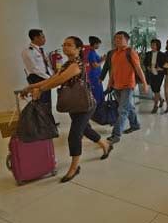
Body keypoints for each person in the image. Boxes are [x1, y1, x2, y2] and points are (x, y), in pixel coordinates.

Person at [22, 36, 113, 183]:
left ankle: (74, 167)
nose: (65, 47)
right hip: (74, 104)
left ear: (78, 49)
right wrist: (32, 87)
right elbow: (52, 79)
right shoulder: (66, 64)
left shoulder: (77, 64)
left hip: (85, 105)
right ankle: (106, 145)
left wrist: (41, 89)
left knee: (74, 135)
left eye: (69, 45)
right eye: (64, 44)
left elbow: (59, 80)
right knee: (85, 129)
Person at [107, 31, 149, 144]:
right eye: (116, 38)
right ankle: (135, 125)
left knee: (122, 110)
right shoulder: (114, 54)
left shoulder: (130, 52)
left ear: (127, 40)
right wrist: (109, 83)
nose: (117, 40)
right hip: (116, 85)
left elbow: (138, 69)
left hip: (128, 85)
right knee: (128, 107)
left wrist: (144, 83)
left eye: (120, 38)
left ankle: (116, 134)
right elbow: (113, 71)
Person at [21, 29, 53, 112]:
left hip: (45, 78)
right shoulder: (28, 51)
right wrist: (49, 78)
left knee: (47, 101)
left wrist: (51, 76)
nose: (45, 39)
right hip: (37, 78)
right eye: (42, 37)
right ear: (35, 38)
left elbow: (46, 65)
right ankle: (42, 123)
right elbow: (34, 68)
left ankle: (49, 121)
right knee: (41, 102)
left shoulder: (41, 50)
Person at [144, 39, 166, 113]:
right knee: (154, 90)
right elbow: (145, 63)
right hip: (151, 74)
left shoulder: (162, 54)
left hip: (159, 74)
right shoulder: (148, 54)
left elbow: (165, 65)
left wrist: (161, 68)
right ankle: (161, 100)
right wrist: (148, 67)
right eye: (152, 44)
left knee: (156, 89)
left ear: (158, 46)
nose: (152, 46)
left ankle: (155, 106)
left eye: (154, 45)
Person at [87, 36, 105, 104]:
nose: (99, 46)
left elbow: (96, 62)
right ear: (94, 44)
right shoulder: (91, 53)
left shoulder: (94, 52)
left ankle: (100, 110)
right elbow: (94, 66)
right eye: (98, 44)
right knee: (96, 93)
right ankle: (97, 111)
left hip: (97, 75)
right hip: (94, 76)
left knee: (100, 92)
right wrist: (102, 60)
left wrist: (101, 58)